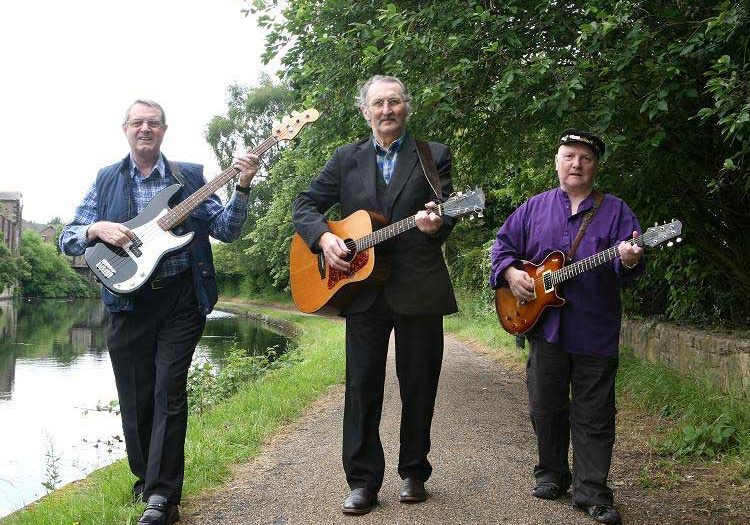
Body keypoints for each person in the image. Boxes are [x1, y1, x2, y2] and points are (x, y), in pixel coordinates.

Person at [59, 99, 259, 525]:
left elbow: (227, 229)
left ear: (164, 130)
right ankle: (146, 481)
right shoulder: (105, 179)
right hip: (127, 302)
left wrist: (242, 185)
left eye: (153, 123)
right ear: (125, 130)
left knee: (169, 391)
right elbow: (68, 236)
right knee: (135, 398)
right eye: (137, 122)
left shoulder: (189, 177)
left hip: (180, 300)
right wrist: (96, 228)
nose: (145, 129)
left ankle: (162, 499)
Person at [292, 75, 457, 515]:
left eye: (395, 102)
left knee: (419, 383)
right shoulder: (346, 158)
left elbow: (448, 213)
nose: (387, 110)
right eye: (378, 103)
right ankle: (363, 481)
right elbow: (305, 205)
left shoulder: (433, 155)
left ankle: (414, 472)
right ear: (365, 112)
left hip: (418, 284)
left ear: (407, 107)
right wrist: (325, 239)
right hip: (360, 289)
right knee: (363, 387)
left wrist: (438, 224)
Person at [489, 130, 644, 525]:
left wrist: (627, 259)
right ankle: (551, 474)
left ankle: (592, 491)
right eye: (569, 156)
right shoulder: (533, 208)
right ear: (557, 162)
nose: (577, 164)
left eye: (585, 158)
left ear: (595, 166)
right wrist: (509, 273)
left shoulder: (616, 211)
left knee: (594, 413)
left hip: (595, 327)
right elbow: (502, 246)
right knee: (546, 405)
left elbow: (632, 266)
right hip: (545, 328)